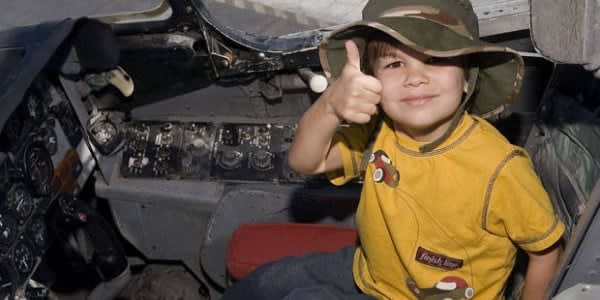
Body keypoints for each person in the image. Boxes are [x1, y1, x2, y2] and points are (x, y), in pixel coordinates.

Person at [222, 0, 565, 299]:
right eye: (394, 64)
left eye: (435, 58)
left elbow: (546, 248)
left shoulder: (501, 169)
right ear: (373, 82)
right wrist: (329, 106)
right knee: (267, 282)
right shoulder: (377, 133)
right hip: (372, 271)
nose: (414, 77)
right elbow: (305, 161)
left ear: (467, 78)